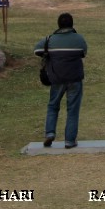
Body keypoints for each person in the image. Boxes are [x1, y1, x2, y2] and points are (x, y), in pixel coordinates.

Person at [34, 13, 88, 149]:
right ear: (71, 24)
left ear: (58, 24)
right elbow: (83, 53)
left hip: (56, 79)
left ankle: (50, 133)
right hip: (75, 79)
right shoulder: (79, 39)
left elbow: (37, 50)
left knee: (53, 106)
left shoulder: (50, 39)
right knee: (73, 109)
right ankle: (69, 141)